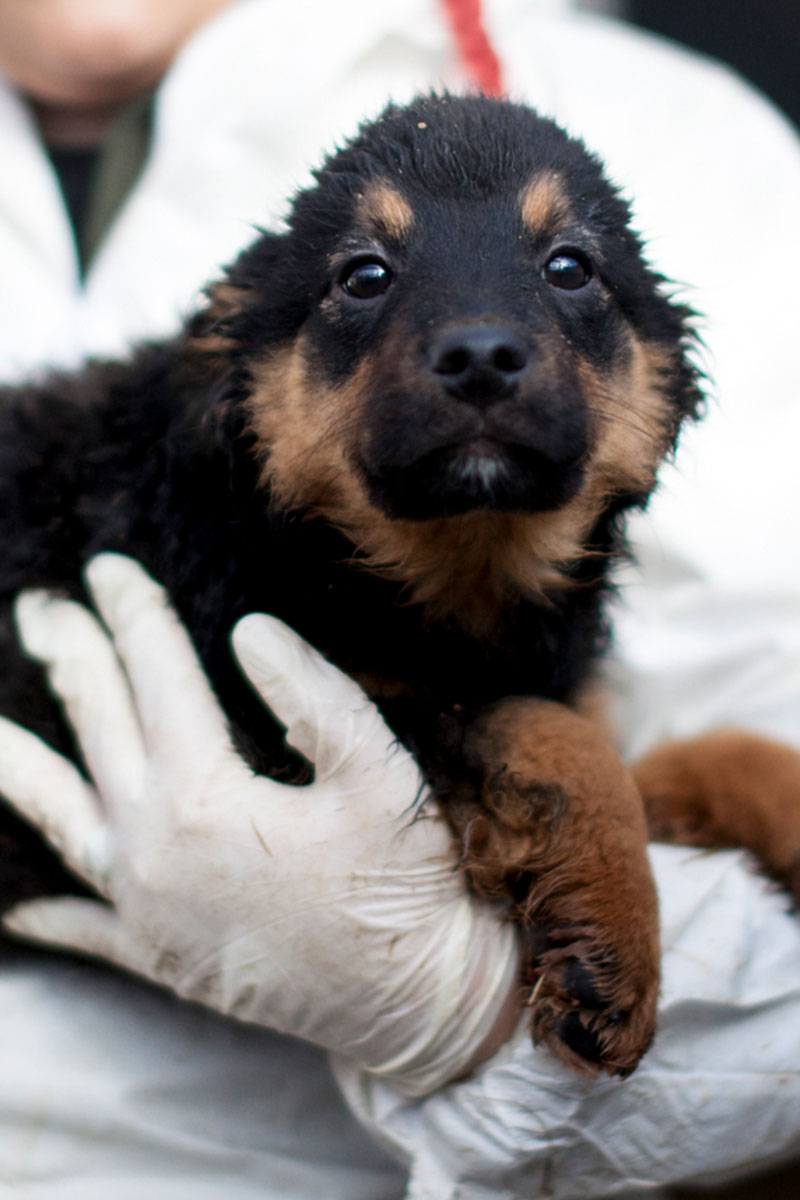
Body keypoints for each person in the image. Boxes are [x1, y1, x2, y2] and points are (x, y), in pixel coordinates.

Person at [0, 1, 800, 1196]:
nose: (479, 340)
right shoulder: (157, 458)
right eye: (366, 279)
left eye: (566, 270)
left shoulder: (691, 136)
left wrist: (462, 1006)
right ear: (235, 392)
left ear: (666, 387)